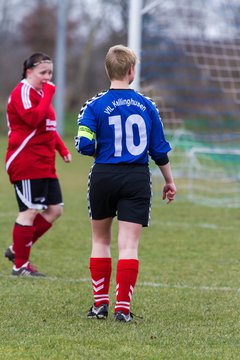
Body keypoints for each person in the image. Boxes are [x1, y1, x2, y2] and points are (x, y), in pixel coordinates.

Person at [75, 44, 176, 322]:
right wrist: (169, 181)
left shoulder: (93, 105)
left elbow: (83, 144)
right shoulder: (147, 105)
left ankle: (99, 307)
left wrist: (103, 149)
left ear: (109, 70)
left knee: (100, 240)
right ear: (131, 71)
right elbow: (159, 149)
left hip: (104, 176)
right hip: (136, 177)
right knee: (129, 245)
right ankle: (122, 309)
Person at [4, 52, 71, 277]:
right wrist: (49, 95)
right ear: (29, 71)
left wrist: (62, 150)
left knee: (55, 210)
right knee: (29, 212)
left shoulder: (41, 94)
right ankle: (19, 265)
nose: (47, 77)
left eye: (50, 73)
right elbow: (32, 118)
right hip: (26, 160)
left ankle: (17, 249)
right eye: (43, 72)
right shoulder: (22, 91)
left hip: (44, 163)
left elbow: (47, 126)